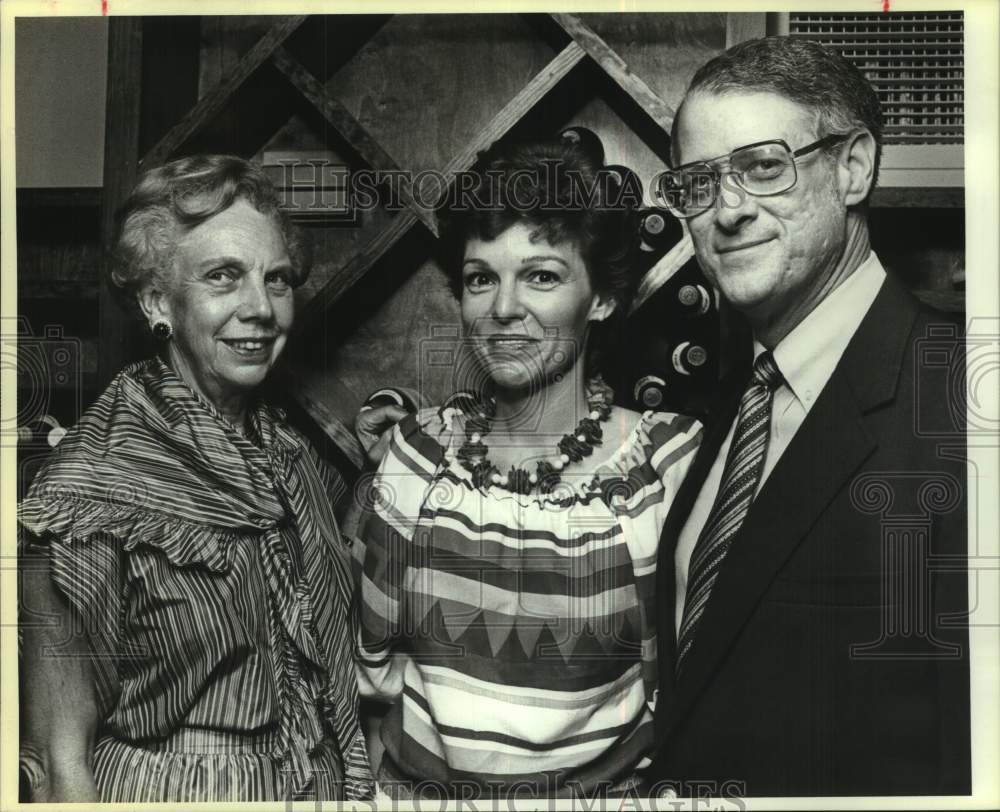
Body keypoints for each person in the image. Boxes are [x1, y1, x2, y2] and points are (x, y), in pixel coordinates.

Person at [647, 36, 969, 796]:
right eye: (699, 182)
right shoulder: (741, 397)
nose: (727, 211)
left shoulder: (963, 400)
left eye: (764, 167)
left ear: (853, 168)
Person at [351, 139, 702, 799]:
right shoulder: (416, 458)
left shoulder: (670, 465)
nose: (503, 308)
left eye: (541, 276)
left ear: (601, 298)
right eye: (481, 278)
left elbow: (695, 699)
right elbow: (374, 689)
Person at [18, 155, 374, 803]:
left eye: (277, 279)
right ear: (159, 301)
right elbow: (56, 759)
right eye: (223, 277)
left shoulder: (291, 458)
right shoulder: (88, 490)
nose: (260, 308)